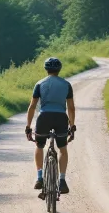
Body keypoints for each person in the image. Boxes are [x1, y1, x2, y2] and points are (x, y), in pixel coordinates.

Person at [25, 57, 76, 194]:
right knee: (63, 149)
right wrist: (72, 126)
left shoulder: (39, 84)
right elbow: (71, 108)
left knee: (39, 146)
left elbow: (32, 106)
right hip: (61, 118)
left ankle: (39, 177)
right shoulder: (66, 84)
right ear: (59, 69)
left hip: (44, 118)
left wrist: (28, 127)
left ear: (46, 69)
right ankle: (62, 180)